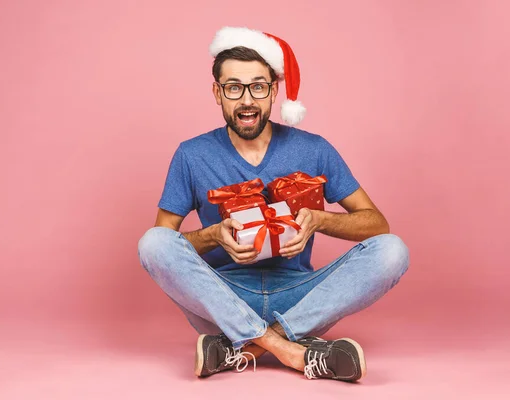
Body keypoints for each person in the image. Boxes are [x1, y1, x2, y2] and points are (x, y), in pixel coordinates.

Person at [137, 26, 409, 382]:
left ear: (273, 91)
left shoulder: (314, 149)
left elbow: (376, 225)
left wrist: (318, 220)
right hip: (223, 297)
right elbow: (165, 243)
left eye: (258, 86)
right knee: (151, 243)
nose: (247, 100)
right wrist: (214, 235)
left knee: (393, 250)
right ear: (217, 93)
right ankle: (295, 352)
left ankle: (244, 349)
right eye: (234, 87)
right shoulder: (192, 155)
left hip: (302, 297)